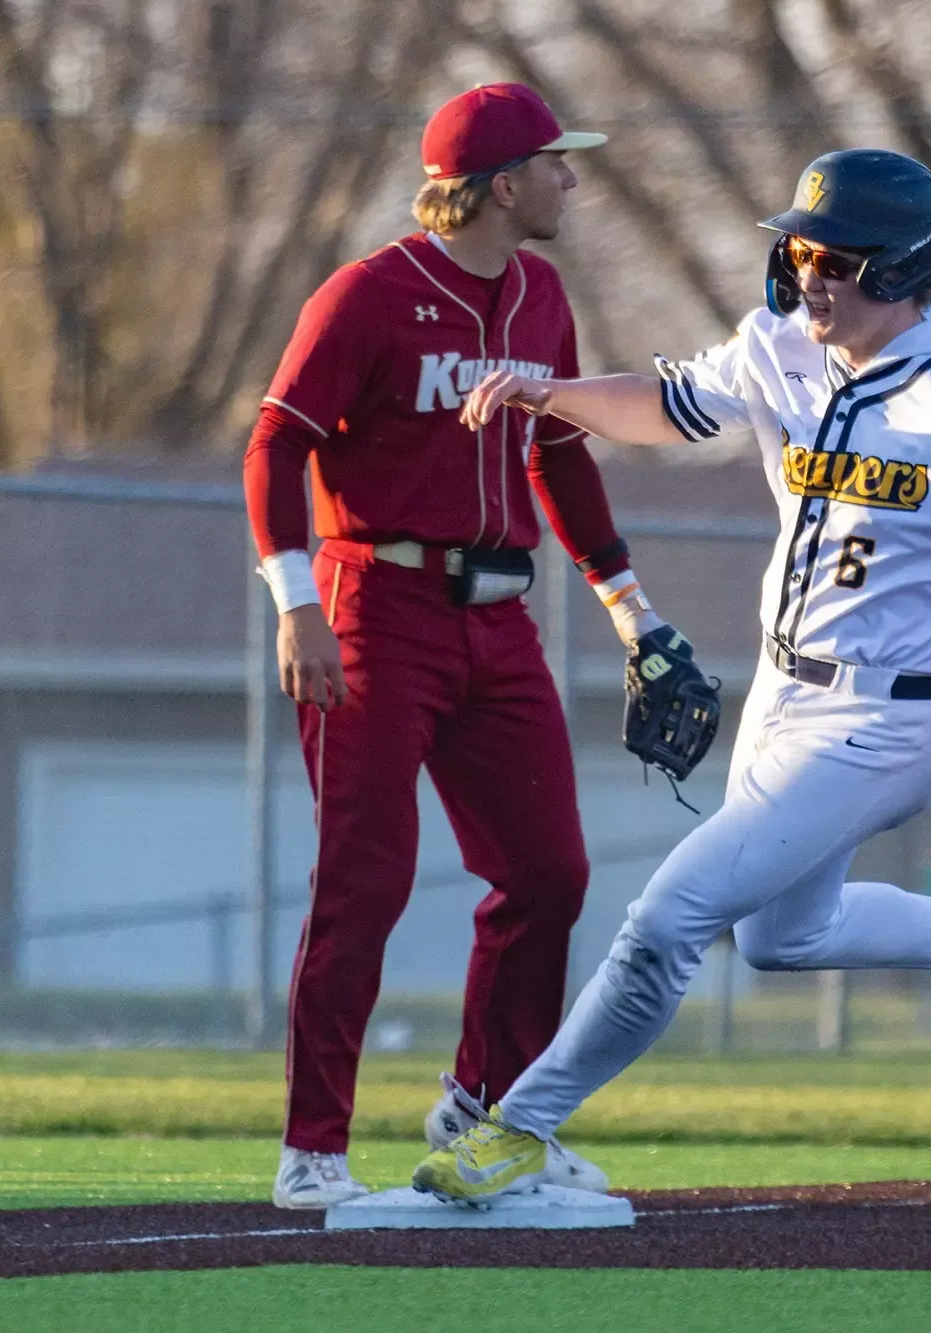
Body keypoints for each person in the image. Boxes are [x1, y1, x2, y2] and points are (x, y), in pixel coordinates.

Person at [408, 148, 931, 1202]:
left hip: (889, 722)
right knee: (783, 937)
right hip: (781, 698)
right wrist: (547, 394)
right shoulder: (784, 353)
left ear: (900, 270)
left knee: (668, 919)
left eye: (835, 262)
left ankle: (519, 1126)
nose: (808, 277)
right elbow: (667, 405)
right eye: (798, 251)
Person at [244, 83, 684, 1209]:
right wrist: (295, 605)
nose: (569, 181)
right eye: (552, 163)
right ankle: (312, 1145)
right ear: (497, 186)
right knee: (365, 879)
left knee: (548, 871)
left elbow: (562, 453)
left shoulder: (539, 294)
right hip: (373, 608)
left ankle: (486, 1112)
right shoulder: (371, 296)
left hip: (499, 619)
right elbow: (275, 444)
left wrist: (627, 605)